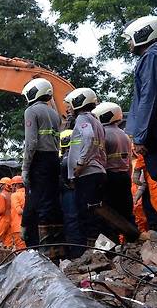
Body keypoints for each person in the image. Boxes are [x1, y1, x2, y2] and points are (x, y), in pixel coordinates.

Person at [21, 78, 64, 259]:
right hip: (53, 159)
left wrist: (25, 167)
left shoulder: (31, 111)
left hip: (39, 160)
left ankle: (42, 250)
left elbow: (31, 143)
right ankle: (55, 249)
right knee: (51, 202)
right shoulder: (54, 113)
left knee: (38, 203)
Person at [65, 88, 107, 249]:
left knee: (87, 216)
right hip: (97, 172)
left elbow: (88, 138)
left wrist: (80, 163)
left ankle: (93, 253)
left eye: (70, 104)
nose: (68, 108)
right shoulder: (96, 120)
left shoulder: (82, 118)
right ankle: (103, 251)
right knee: (96, 215)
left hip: (87, 174)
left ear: (78, 102)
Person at [123, 16, 157, 181]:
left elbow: (149, 98)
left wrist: (139, 137)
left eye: (129, 38)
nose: (128, 43)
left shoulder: (151, 57)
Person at [93, 102, 137, 242]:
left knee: (109, 214)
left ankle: (112, 246)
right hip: (124, 176)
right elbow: (129, 162)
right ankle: (133, 242)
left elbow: (99, 158)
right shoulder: (124, 135)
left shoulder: (103, 134)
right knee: (126, 212)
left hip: (109, 177)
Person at [59, 129, 85, 258]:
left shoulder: (65, 160)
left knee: (72, 223)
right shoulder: (82, 156)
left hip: (70, 194)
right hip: (80, 192)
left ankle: (76, 254)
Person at [10, 175, 27, 250]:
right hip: (29, 225)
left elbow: (19, 211)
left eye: (12, 185)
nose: (11, 187)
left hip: (18, 227)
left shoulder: (14, 195)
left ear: (16, 185)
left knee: (21, 250)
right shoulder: (28, 193)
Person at [0, 177, 12, 246]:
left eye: (1, 184)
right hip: (10, 219)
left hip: (3, 219)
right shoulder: (11, 195)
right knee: (8, 239)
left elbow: (1, 210)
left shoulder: (1, 195)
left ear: (5, 185)